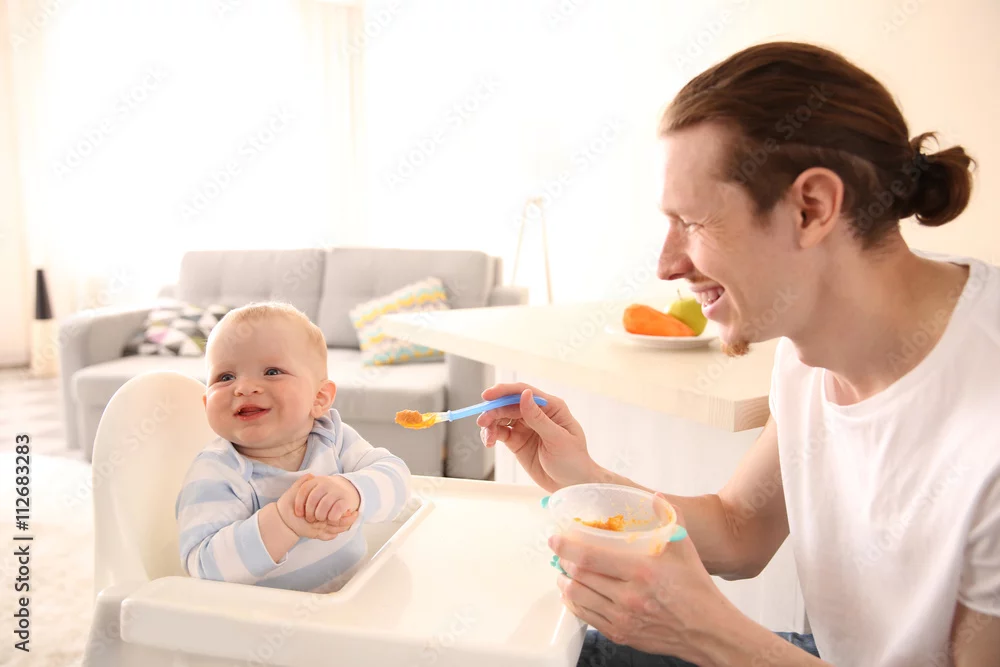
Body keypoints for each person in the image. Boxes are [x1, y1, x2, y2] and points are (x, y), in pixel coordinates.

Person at [478, 41, 1000, 666]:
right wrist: (585, 480)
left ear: (810, 208)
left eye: (694, 223)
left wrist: (710, 634)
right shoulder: (810, 342)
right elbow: (738, 531)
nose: (667, 266)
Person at [175, 302, 412, 593]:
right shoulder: (216, 472)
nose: (244, 387)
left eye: (272, 371)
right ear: (206, 403)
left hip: (354, 598)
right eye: (225, 377)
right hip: (267, 615)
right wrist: (283, 522)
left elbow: (397, 478)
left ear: (319, 398)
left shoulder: (332, 436)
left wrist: (353, 490)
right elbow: (204, 567)